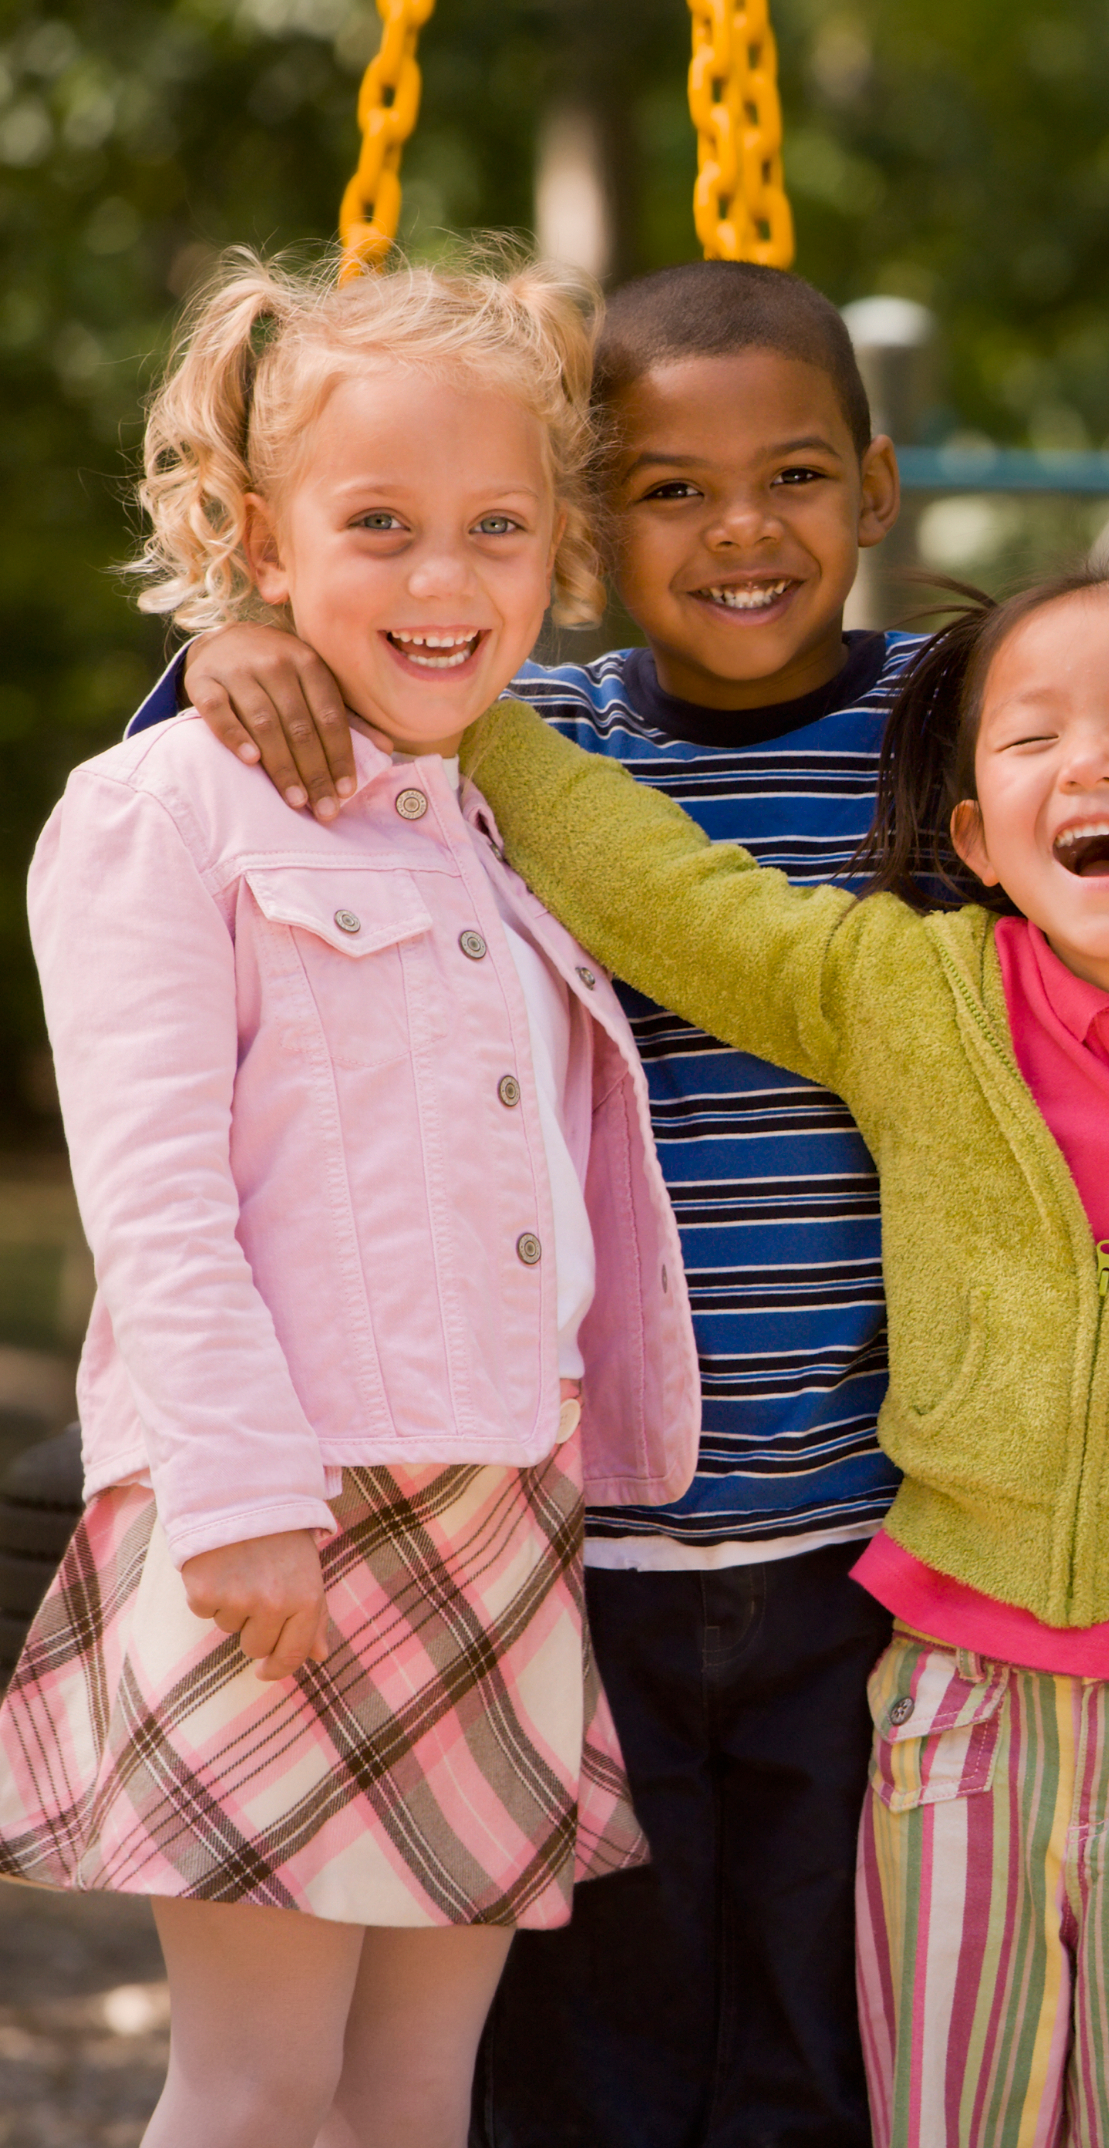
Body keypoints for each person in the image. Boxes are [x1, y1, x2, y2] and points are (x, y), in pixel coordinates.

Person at [128, 258, 920, 2148]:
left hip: (851, 1528)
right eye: (665, 488)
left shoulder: (943, 729)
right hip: (575, 1543)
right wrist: (224, 657)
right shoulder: (515, 732)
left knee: (819, 2033)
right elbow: (281, 765)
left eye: (797, 479)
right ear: (595, 526)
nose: (740, 529)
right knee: (572, 2054)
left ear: (874, 493)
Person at [448, 556, 1109, 2148]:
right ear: (973, 839)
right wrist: (462, 711)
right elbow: (664, 891)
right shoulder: (906, 995)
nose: (1087, 763)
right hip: (951, 1704)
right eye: (1031, 742)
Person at [0, 243, 698, 2148]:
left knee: (414, 2086)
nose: (442, 578)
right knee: (256, 2081)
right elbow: (152, 1198)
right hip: (276, 1521)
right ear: (253, 530)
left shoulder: (495, 816)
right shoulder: (159, 813)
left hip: (496, 1515)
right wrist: (235, 1499)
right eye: (377, 524)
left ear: (556, 545)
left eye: (493, 526)